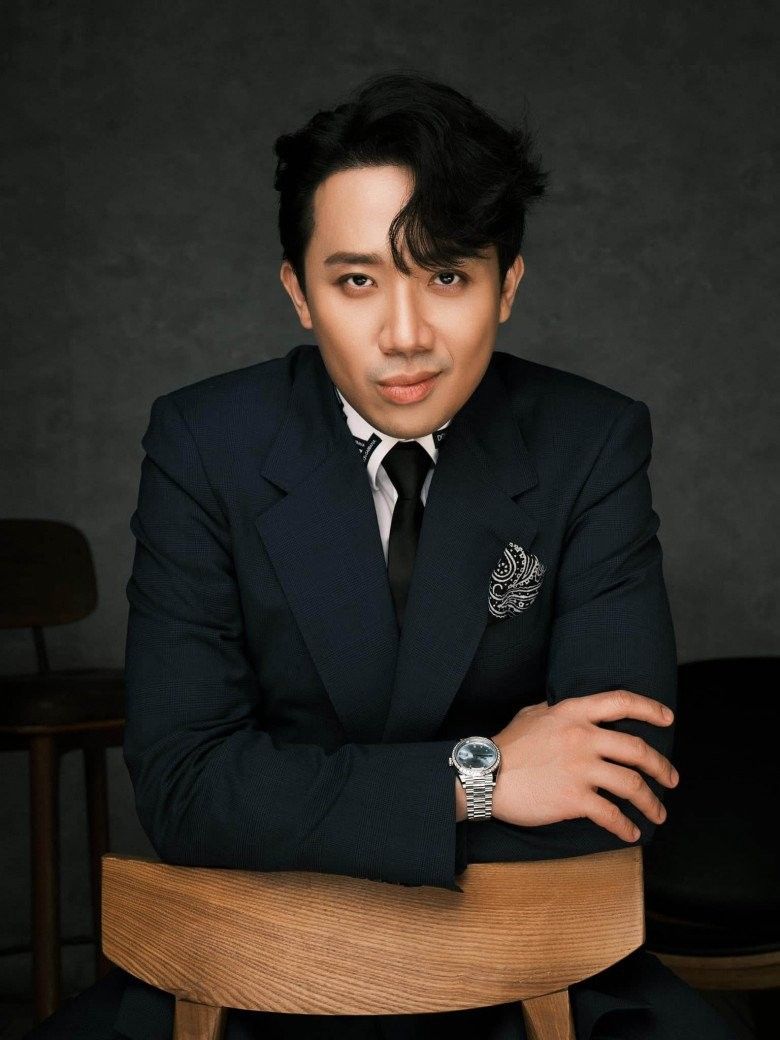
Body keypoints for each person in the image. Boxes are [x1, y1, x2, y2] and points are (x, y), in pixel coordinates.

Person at [27, 72, 738, 1039]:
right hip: (250, 970)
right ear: (299, 293)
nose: (405, 337)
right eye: (357, 280)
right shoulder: (206, 443)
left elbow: (613, 790)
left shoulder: (589, 443)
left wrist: (301, 806)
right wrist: (480, 776)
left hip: (529, 969)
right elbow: (186, 791)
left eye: (447, 276)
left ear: (508, 286)